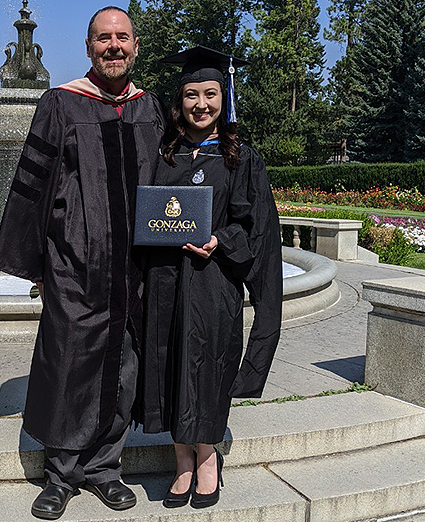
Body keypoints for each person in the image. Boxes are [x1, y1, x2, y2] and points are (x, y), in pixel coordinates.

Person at [0, 6, 165, 520]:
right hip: (74, 265)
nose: (113, 46)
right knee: (68, 364)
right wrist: (39, 265)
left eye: (122, 38)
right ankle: (61, 473)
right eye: (103, 38)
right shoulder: (61, 103)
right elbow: (31, 187)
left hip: (134, 267)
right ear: (89, 46)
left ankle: (106, 468)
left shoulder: (149, 107)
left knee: (123, 366)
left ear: (135, 46)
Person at [141, 46, 283, 509]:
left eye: (210, 93)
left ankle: (207, 461)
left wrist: (220, 240)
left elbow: (255, 227)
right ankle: (181, 462)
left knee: (207, 368)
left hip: (213, 284)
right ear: (179, 100)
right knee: (171, 365)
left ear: (224, 97)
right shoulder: (164, 153)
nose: (201, 104)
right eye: (191, 95)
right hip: (165, 283)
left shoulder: (241, 158)